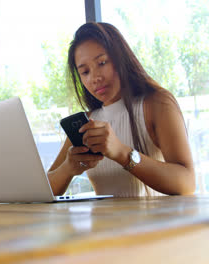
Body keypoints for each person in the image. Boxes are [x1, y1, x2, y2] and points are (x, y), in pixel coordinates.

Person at [47, 22, 195, 197]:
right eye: (85, 72)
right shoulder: (87, 122)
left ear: (120, 58)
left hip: (156, 224)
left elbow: (187, 182)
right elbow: (43, 190)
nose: (95, 77)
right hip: (105, 224)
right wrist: (67, 169)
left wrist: (122, 153)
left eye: (102, 63)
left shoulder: (157, 104)